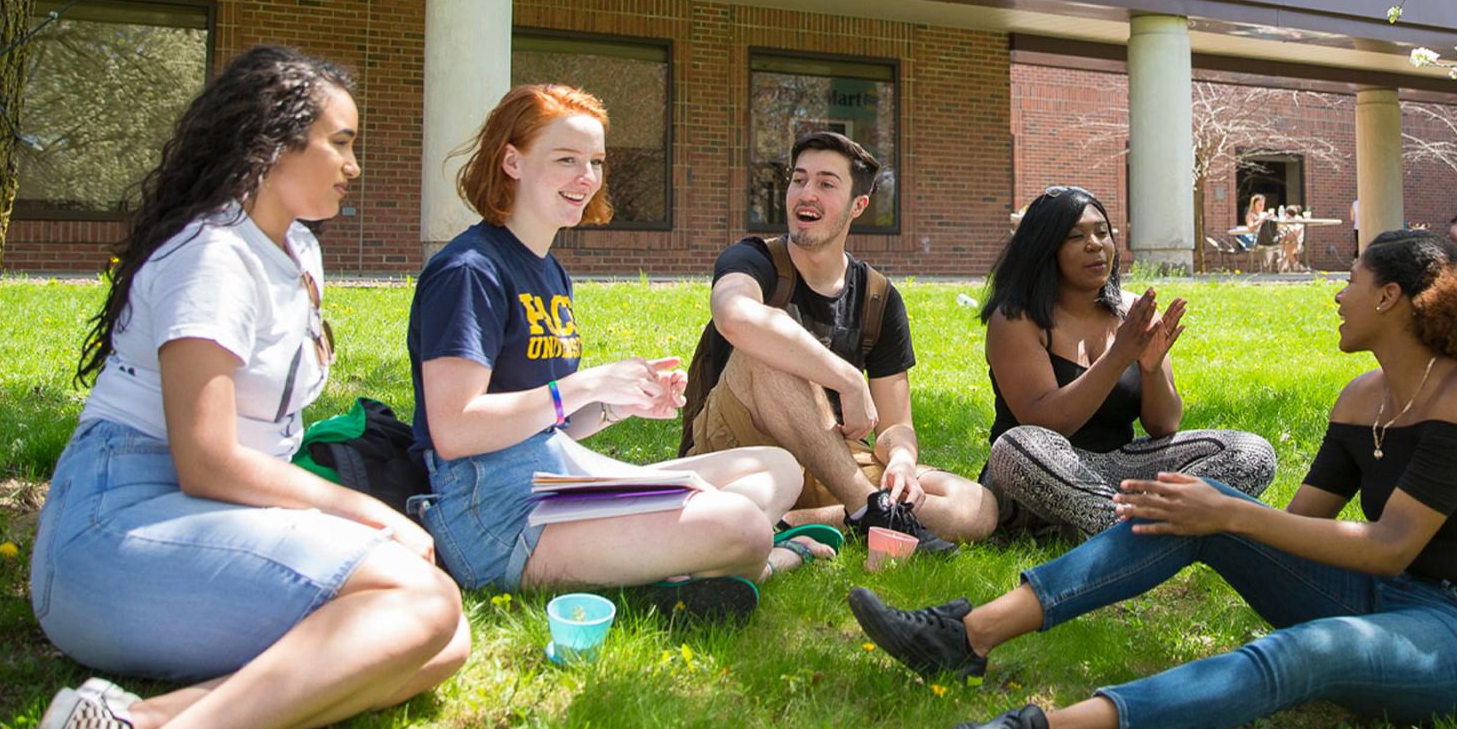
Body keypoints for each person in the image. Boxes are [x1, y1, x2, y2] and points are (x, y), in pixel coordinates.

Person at [849, 231, 1457, 729]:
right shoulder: (1362, 398)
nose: (1337, 293)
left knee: (1301, 650)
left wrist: (1230, 516)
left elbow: (1388, 545)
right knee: (1195, 510)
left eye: (1350, 280)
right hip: (1376, 597)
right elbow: (1297, 525)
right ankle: (964, 635)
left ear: (1388, 297)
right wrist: (1214, 514)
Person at [21, 47, 470, 729]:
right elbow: (207, 458)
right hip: (112, 529)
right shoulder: (212, 256)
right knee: (415, 605)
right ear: (272, 145)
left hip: (208, 519)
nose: (354, 165)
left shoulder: (294, 248)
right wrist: (369, 514)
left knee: (439, 638)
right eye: (339, 143)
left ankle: (126, 724)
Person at [408, 83, 822, 622]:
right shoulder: (469, 272)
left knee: (777, 467)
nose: (586, 177)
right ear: (512, 161)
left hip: (556, 477)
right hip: (495, 517)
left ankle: (679, 566)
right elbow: (456, 430)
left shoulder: (549, 271)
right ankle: (757, 558)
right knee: (741, 525)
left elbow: (543, 428)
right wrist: (588, 383)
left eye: (596, 162)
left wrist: (618, 406)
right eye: (565, 160)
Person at [683, 130, 997, 551]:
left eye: (826, 184)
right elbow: (735, 317)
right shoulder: (752, 259)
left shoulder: (877, 297)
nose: (805, 194)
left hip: (826, 455)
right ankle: (871, 513)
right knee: (770, 344)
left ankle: (789, 521)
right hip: (738, 447)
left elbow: (895, 423)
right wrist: (848, 379)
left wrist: (902, 459)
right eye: (799, 180)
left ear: (858, 206)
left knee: (974, 506)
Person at [978, 187, 1276, 539]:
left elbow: (1164, 425)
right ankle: (1135, 528)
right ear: (1045, 248)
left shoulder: (1132, 311)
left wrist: (1150, 370)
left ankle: (1108, 524)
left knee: (1250, 453)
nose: (1095, 244)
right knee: (1016, 446)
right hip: (1042, 470)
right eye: (1076, 236)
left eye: (1102, 232)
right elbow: (1045, 423)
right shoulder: (1016, 318)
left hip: (1119, 466)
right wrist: (1118, 356)